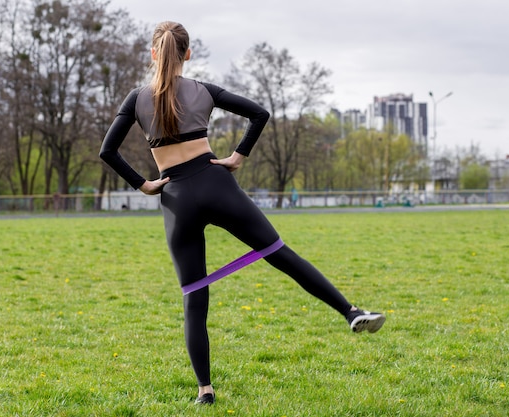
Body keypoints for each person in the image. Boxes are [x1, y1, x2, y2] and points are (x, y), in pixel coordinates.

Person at [99, 21, 385, 405]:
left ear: (154, 53)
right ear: (188, 53)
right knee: (281, 255)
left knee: (195, 296)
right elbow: (260, 113)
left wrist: (144, 185)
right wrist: (237, 157)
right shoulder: (204, 90)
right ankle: (349, 312)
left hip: (177, 198)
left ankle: (205, 390)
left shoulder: (136, 99)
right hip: (216, 185)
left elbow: (107, 151)